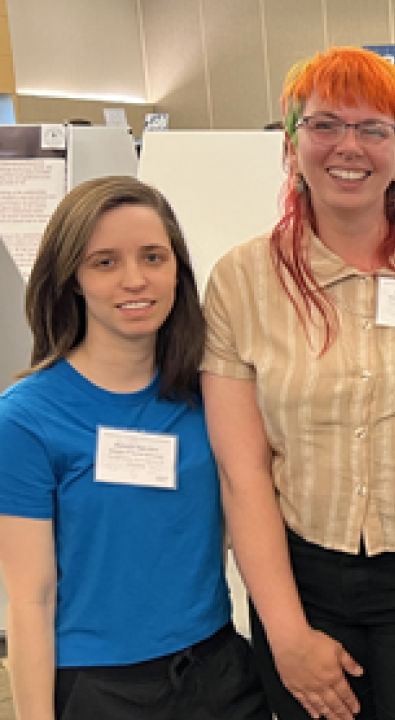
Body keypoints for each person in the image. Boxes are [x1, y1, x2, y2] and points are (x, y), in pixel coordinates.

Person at [201, 48, 395, 720]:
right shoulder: (242, 282)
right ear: (291, 147)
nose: (349, 146)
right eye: (324, 125)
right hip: (302, 584)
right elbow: (243, 473)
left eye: (374, 129)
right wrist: (284, 631)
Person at [0, 176, 269, 720]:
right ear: (71, 278)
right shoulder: (26, 418)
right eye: (104, 262)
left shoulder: (210, 393)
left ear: (177, 270)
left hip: (218, 675)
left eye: (153, 257)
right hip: (101, 691)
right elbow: (29, 601)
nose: (135, 280)